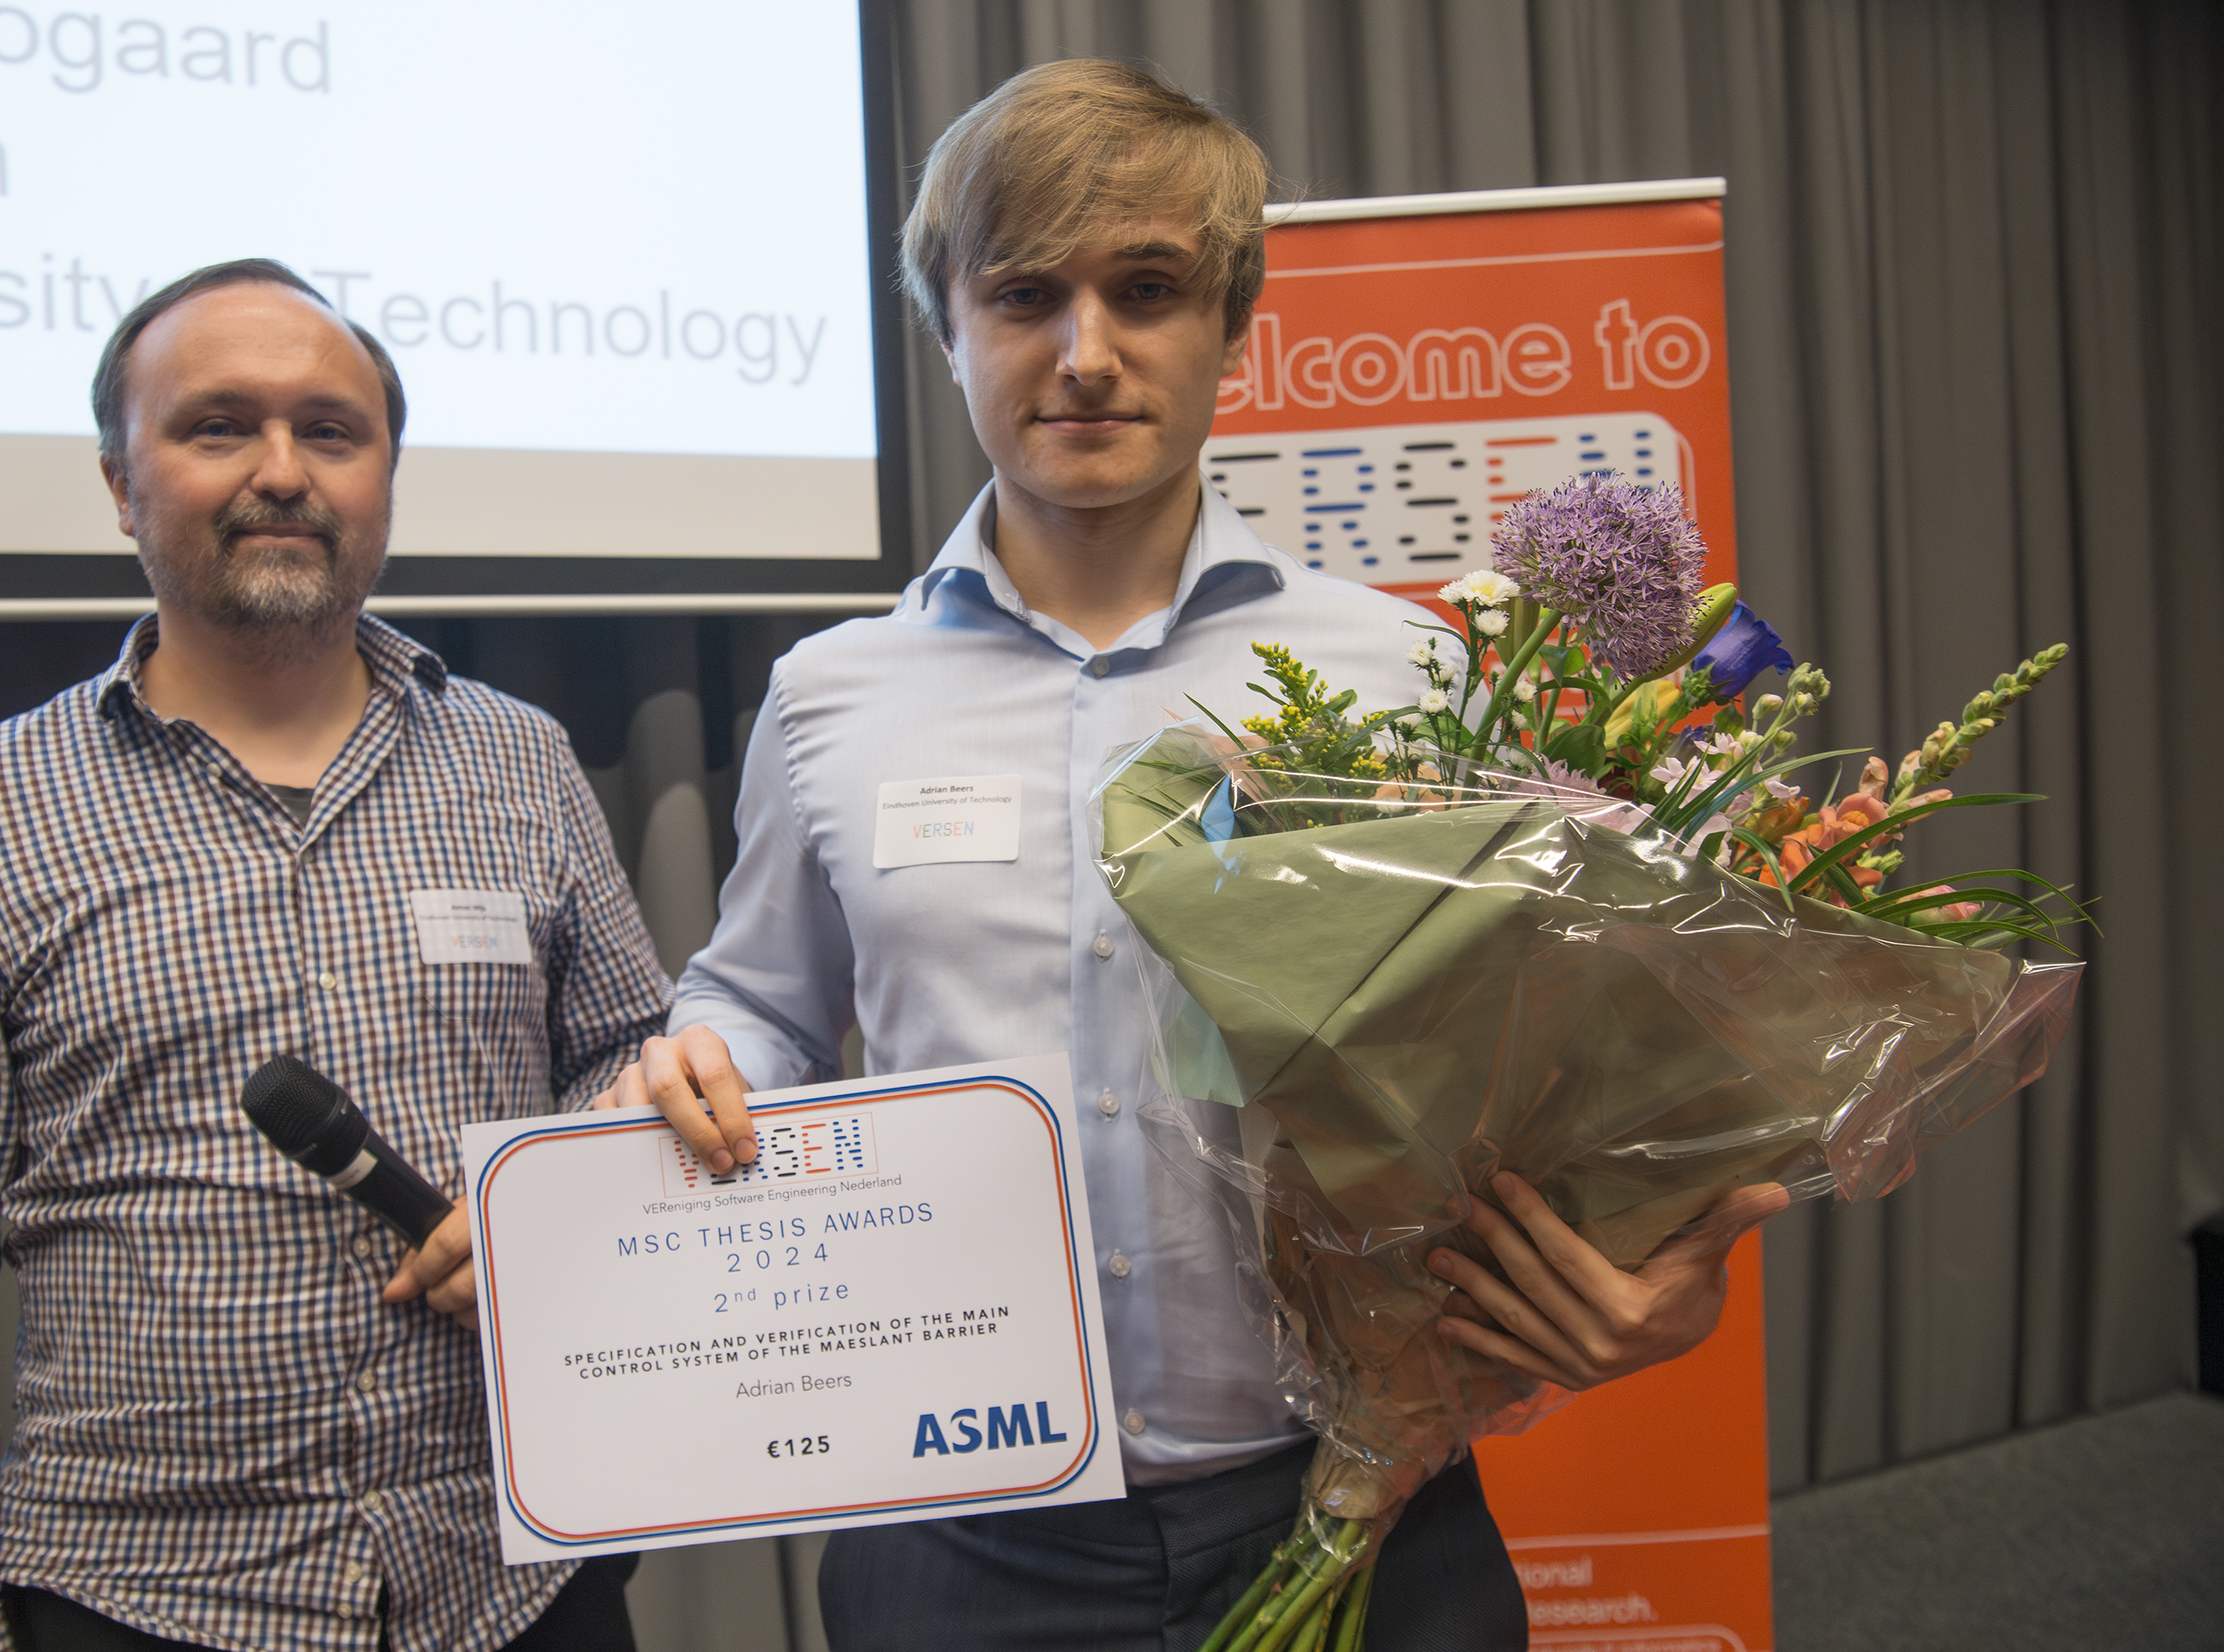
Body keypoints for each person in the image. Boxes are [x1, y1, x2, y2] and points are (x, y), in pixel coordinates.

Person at [598, 61, 1786, 1652]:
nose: (1086, 353)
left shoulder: (1408, 670)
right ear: (948, 329)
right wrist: (702, 1064)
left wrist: (1660, 1260)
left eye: (1147, 291)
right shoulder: (830, 697)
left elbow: (1545, 1059)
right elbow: (760, 1000)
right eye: (1024, 295)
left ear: (1235, 327)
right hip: (961, 1528)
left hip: (1357, 1499)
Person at [0, 259, 669, 1652]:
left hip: (515, 1579)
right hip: (149, 1598)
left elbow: (629, 1054)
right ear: (119, 483)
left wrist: (552, 1199)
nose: (282, 471)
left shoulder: (520, 760)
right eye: (218, 428)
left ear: (385, 478)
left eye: (330, 432)